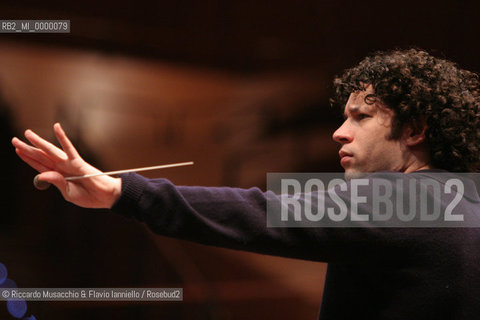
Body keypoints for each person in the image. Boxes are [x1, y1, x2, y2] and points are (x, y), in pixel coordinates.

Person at [11, 49, 480, 319]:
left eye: (362, 117)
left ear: (416, 130)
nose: (340, 131)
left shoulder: (408, 200)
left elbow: (264, 212)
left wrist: (122, 192)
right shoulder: (464, 199)